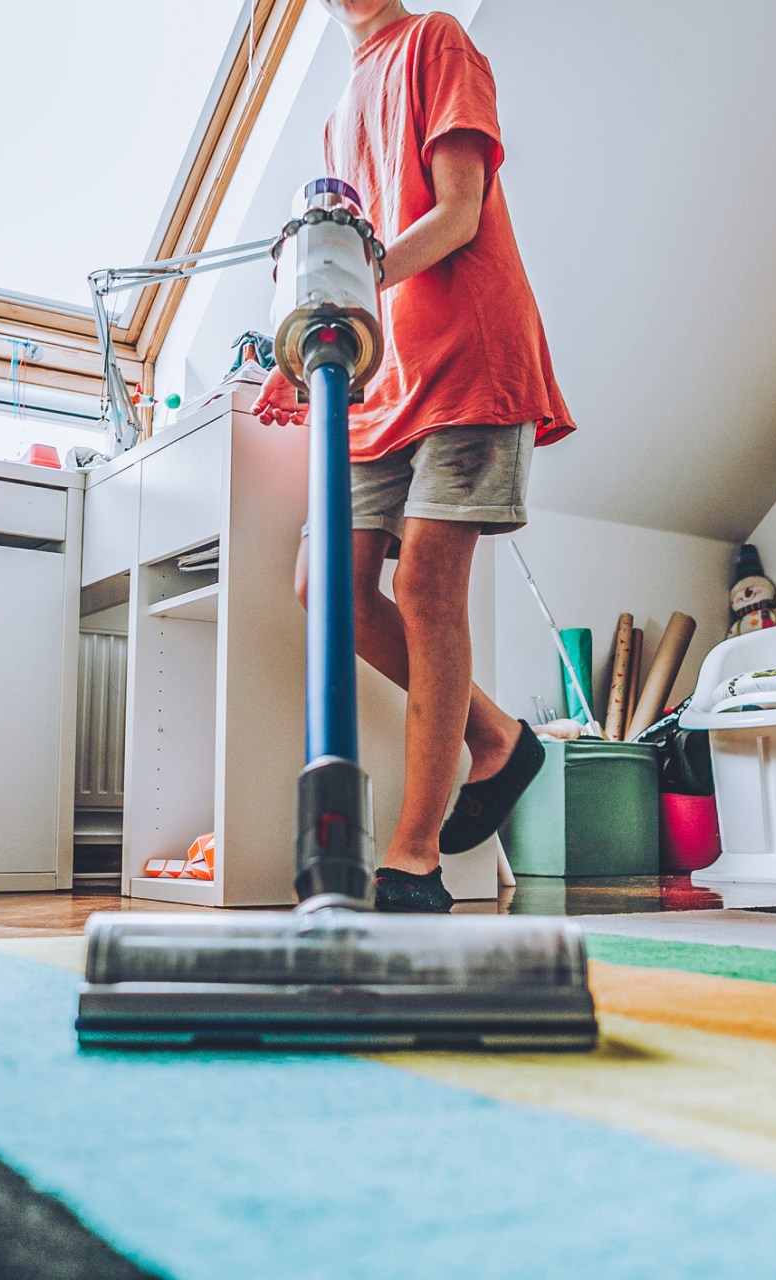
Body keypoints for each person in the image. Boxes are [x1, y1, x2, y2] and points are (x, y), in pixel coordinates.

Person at [254, 0, 574, 912]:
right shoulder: (332, 115)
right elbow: (341, 254)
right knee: (329, 586)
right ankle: (499, 739)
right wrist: (306, 337)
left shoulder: (437, 39)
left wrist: (343, 295)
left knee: (430, 583)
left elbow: (460, 213)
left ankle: (414, 857)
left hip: (472, 347)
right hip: (387, 374)